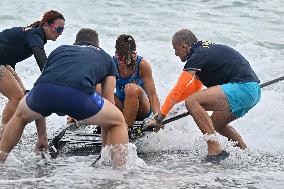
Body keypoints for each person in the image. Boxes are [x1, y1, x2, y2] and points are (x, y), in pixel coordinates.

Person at [0, 28, 129, 167]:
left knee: (20, 116)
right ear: (97, 45)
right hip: (78, 96)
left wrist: (42, 136)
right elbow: (108, 102)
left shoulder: (60, 50)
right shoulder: (106, 58)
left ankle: (1, 156)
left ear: (75, 43)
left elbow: (42, 84)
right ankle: (119, 170)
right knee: (117, 121)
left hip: (43, 92)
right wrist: (105, 150)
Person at [147, 29, 261, 162]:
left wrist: (160, 116)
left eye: (176, 49)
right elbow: (194, 87)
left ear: (184, 46)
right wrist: (171, 110)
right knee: (215, 124)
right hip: (254, 91)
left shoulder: (198, 56)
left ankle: (215, 149)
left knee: (192, 102)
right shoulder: (204, 52)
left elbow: (180, 87)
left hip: (243, 88)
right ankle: (246, 154)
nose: (175, 54)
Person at [0, 10, 65, 139]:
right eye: (58, 29)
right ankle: (3, 135)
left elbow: (9, 51)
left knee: (23, 96)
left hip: (3, 61)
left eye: (62, 30)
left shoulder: (33, 34)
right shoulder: (36, 34)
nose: (60, 33)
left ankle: (8, 131)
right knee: (17, 97)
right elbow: (43, 63)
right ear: (46, 25)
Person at [113, 34, 160, 128]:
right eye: (119, 59)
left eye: (124, 59)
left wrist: (157, 118)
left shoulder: (142, 65)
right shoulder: (112, 63)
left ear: (134, 55)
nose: (121, 63)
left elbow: (152, 94)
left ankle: (126, 129)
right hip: (122, 106)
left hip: (141, 109)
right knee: (98, 87)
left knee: (130, 88)